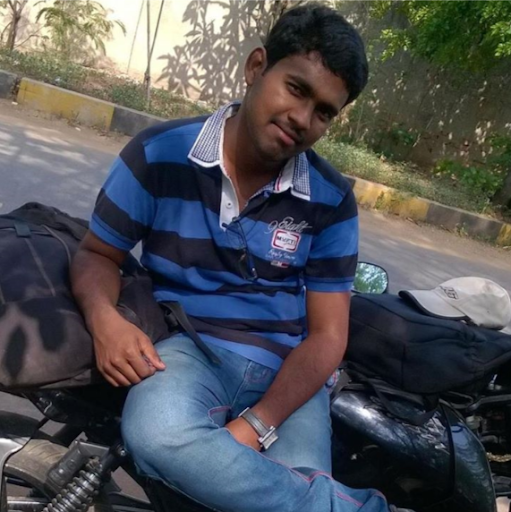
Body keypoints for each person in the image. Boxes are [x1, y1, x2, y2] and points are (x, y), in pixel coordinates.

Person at [71, 4, 412, 512]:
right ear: (256, 67)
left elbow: (327, 337)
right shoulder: (159, 155)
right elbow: (97, 253)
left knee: (276, 493)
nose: (302, 119)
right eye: (296, 89)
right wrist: (105, 320)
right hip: (190, 349)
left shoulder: (331, 199)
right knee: (157, 431)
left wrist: (257, 424)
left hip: (290, 376)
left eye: (324, 112)